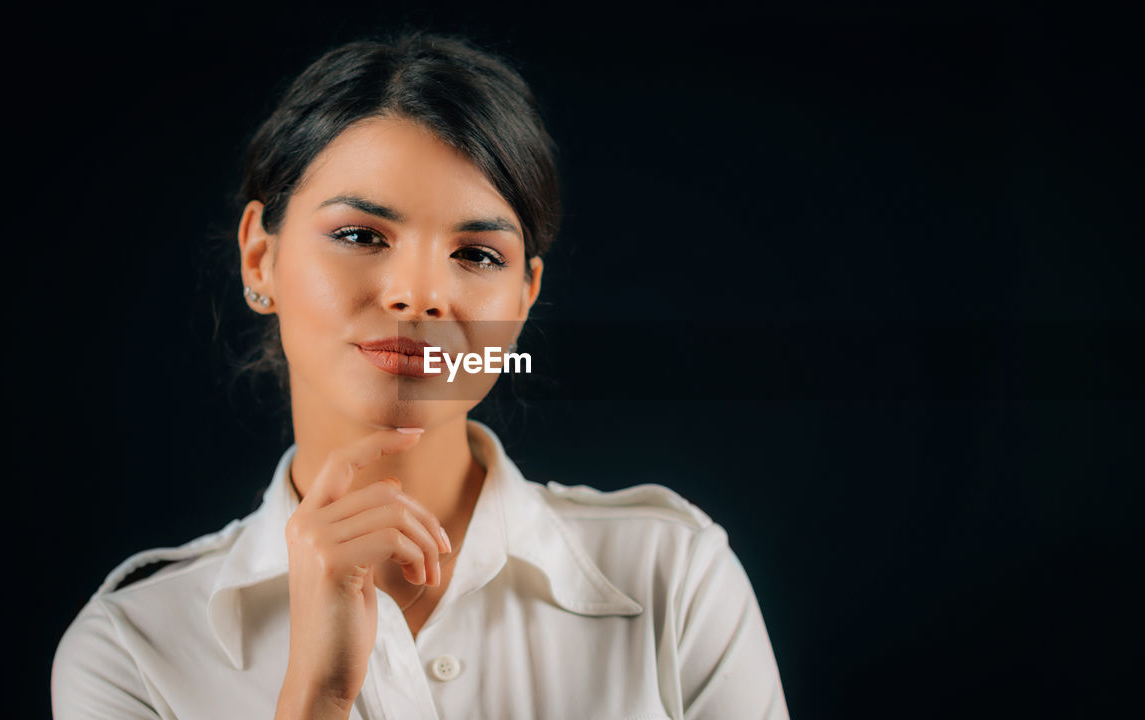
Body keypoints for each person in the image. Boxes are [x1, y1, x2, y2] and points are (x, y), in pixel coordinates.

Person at [51, 30, 790, 720]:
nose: (420, 293)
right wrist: (317, 692)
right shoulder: (132, 650)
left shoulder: (673, 577)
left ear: (525, 297)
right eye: (360, 235)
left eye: (476, 255)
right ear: (259, 258)